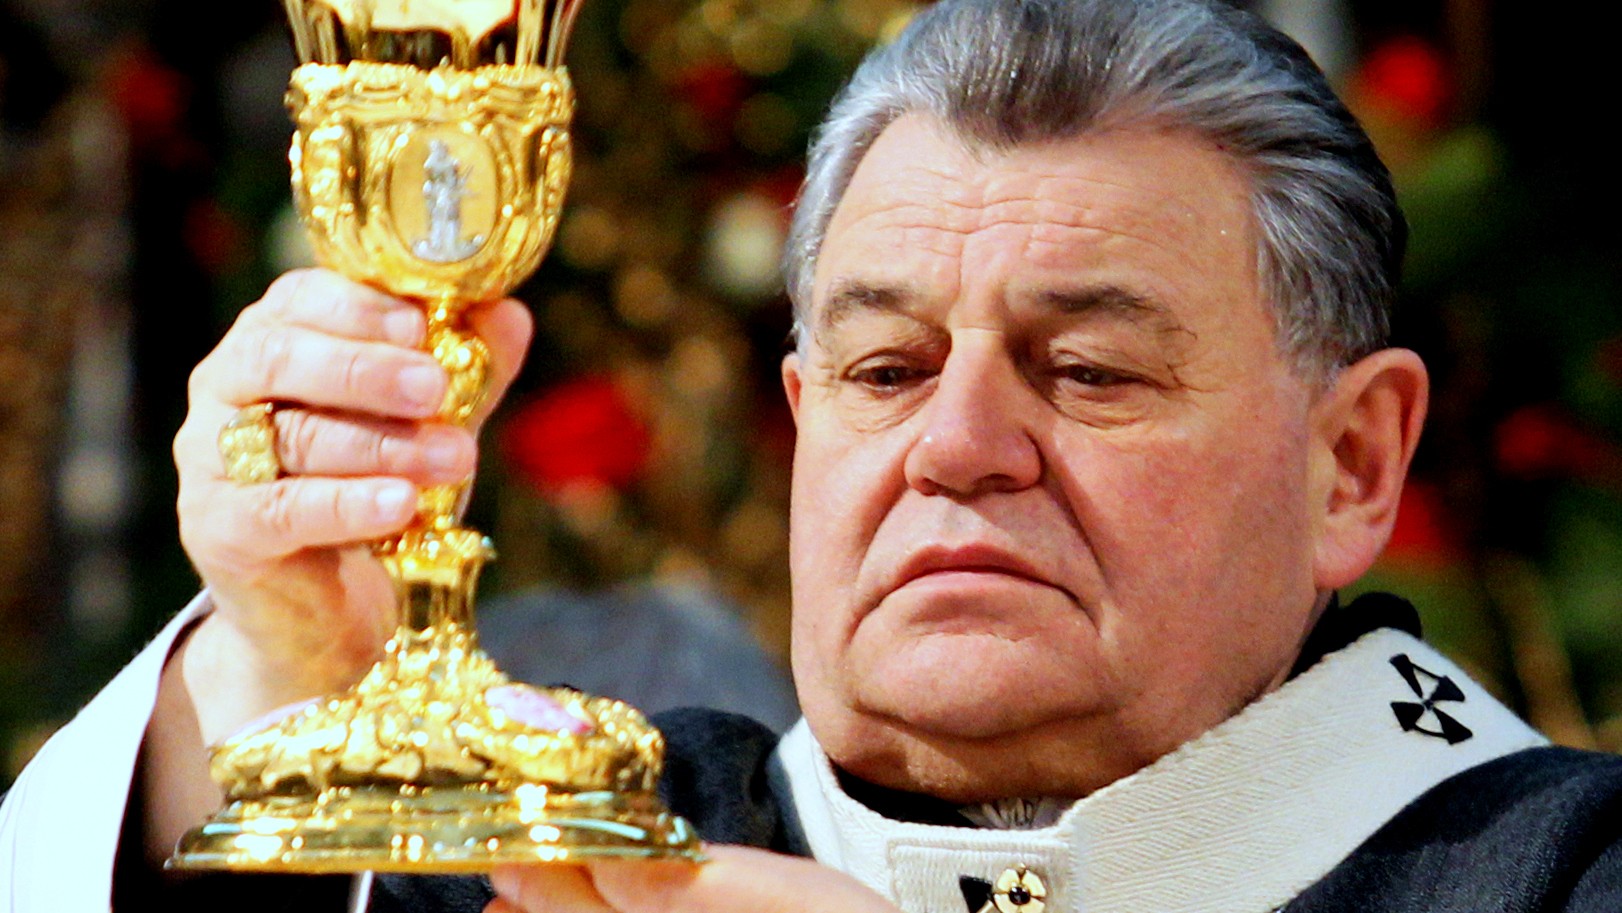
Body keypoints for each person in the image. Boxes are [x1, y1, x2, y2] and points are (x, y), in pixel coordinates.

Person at [4, 0, 1621, 910]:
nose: (955, 447)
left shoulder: (1558, 875)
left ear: (1351, 463)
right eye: (883, 369)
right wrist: (266, 677)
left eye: (1086, 370)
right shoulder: (572, 849)